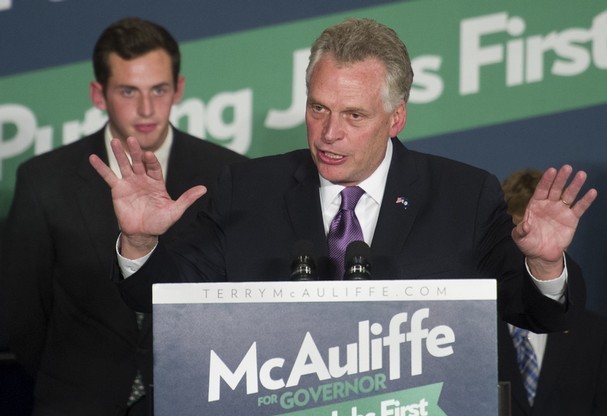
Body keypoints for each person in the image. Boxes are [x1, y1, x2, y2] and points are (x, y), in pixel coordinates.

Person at [90, 18, 596, 336]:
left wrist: (547, 266)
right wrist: (137, 241)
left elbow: (541, 316)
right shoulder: (245, 190)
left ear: (395, 118)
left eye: (354, 115)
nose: (329, 133)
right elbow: (157, 299)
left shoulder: (464, 196)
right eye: (318, 108)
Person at [0, 17, 246, 416]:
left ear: (178, 89)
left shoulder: (227, 175)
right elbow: (24, 315)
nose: (146, 109)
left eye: (159, 90)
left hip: (195, 401)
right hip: (77, 402)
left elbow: (240, 303)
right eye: (128, 91)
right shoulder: (43, 181)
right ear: (99, 94)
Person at [498, 168, 607, 415]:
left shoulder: (598, 337)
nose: (530, 248)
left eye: (541, 233)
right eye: (521, 235)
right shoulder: (470, 333)